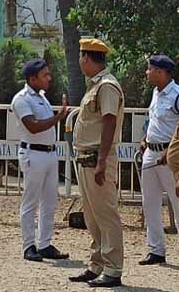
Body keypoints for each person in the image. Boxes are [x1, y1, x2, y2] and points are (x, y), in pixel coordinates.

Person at [68, 38, 125, 288]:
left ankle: (113, 268)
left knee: (105, 214)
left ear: (87, 58)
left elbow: (110, 122)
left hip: (97, 159)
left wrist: (102, 161)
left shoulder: (107, 86)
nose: (80, 61)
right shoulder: (95, 86)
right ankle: (97, 263)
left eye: (82, 56)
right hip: (86, 159)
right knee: (92, 216)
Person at [11, 58, 70, 262]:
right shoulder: (21, 99)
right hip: (33, 154)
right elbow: (33, 126)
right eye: (44, 75)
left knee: (50, 201)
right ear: (32, 78)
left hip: (49, 153)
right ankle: (29, 245)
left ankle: (44, 243)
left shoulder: (41, 96)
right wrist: (58, 117)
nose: (49, 78)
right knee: (31, 202)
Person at [138, 55, 179, 265]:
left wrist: (170, 151)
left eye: (150, 69)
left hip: (170, 156)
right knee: (150, 203)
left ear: (161, 72)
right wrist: (145, 139)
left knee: (177, 201)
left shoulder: (177, 95)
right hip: (151, 154)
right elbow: (153, 120)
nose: (147, 72)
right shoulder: (156, 93)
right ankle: (156, 250)